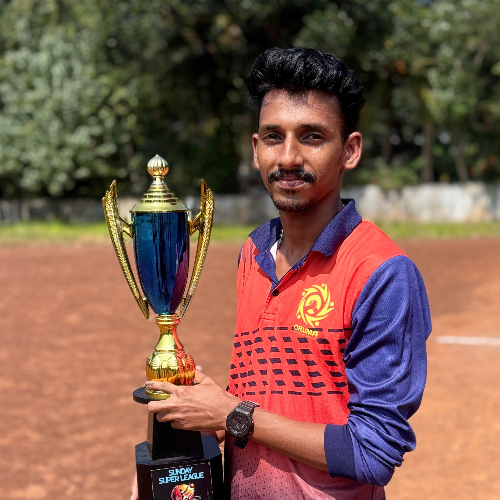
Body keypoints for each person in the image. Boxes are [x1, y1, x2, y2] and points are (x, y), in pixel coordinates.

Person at [140, 47, 431, 500]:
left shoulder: (383, 273)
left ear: (350, 150)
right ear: (256, 150)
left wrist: (232, 413)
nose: (289, 157)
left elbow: (373, 451)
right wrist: (186, 442)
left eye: (312, 137)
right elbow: (263, 400)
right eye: (274, 137)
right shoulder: (253, 252)